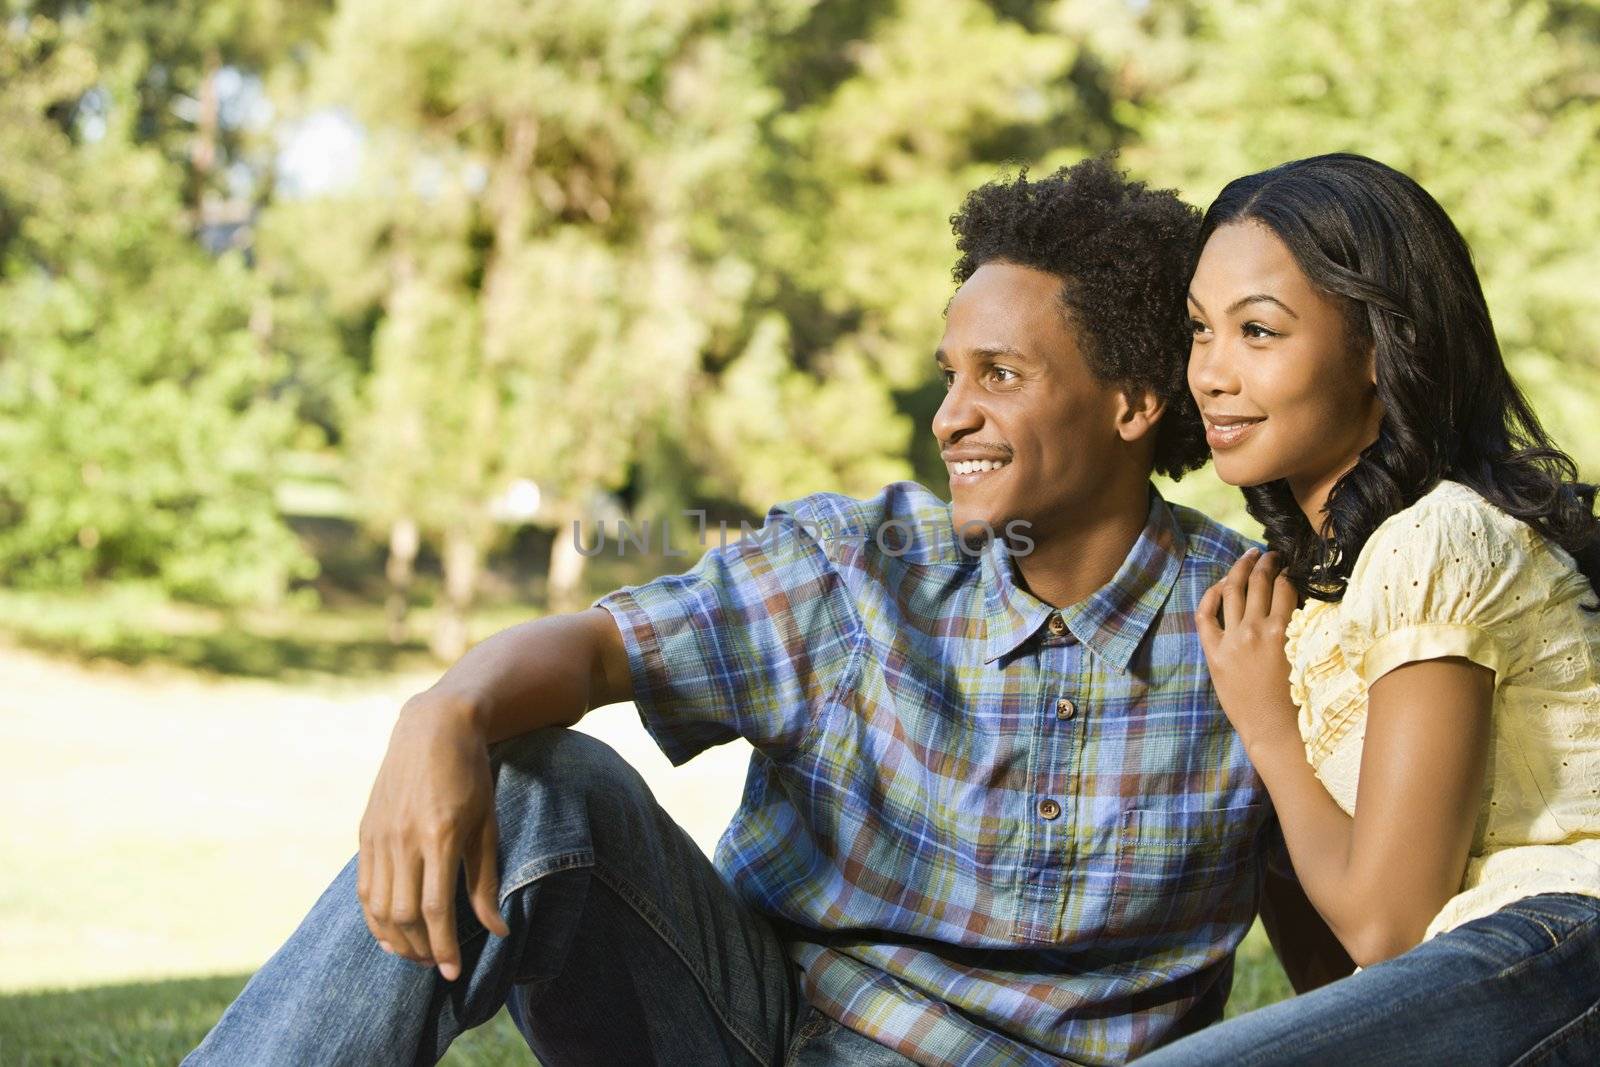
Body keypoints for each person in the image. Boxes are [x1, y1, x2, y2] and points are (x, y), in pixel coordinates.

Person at [185, 158, 1337, 1067]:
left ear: (1134, 401)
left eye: (998, 374)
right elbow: (598, 645)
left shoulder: (1248, 627)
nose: (948, 416)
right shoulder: (855, 567)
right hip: (746, 1036)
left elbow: (1333, 944)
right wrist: (440, 714)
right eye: (947, 373)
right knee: (539, 787)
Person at [1134, 153, 1600, 1066]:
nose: (1212, 374)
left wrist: (1267, 725)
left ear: (1379, 350)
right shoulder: (1307, 602)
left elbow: (1387, 926)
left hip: (1564, 940)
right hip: (1481, 974)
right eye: (1200, 330)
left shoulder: (1442, 538)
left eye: (1259, 332)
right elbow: (1349, 976)